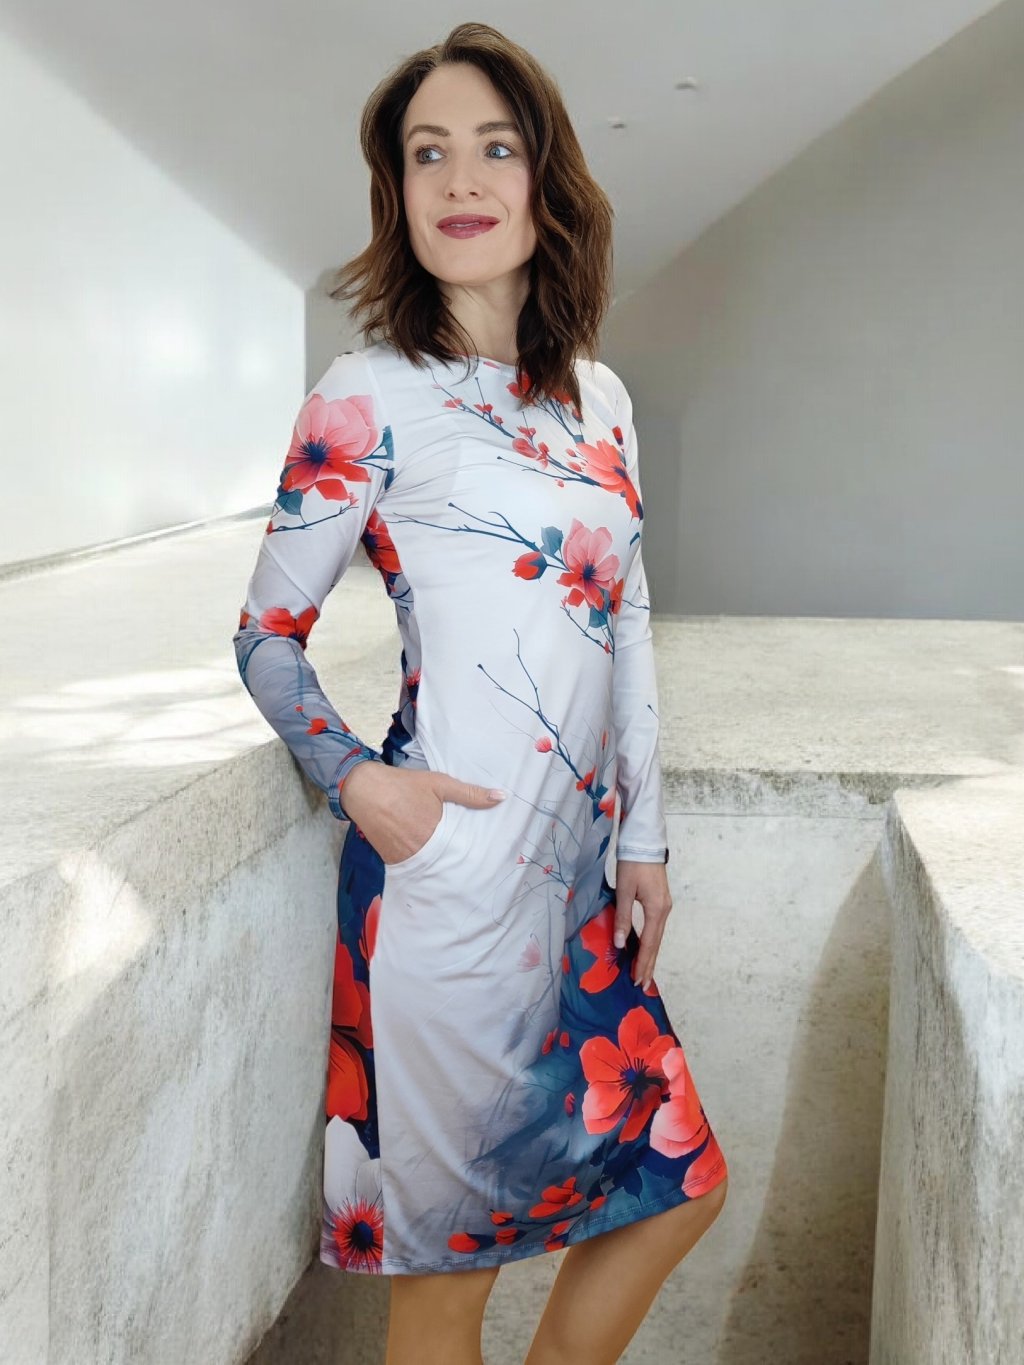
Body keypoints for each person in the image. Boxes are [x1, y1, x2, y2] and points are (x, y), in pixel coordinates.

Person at [233, 21, 728, 1365]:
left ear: (544, 180)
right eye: (427, 153)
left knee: (681, 1183)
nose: (460, 179)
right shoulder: (366, 394)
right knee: (451, 1282)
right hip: (445, 886)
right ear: (395, 191)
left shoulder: (601, 401)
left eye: (495, 148)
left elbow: (623, 617)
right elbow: (267, 636)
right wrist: (363, 783)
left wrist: (644, 842)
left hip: (580, 890)